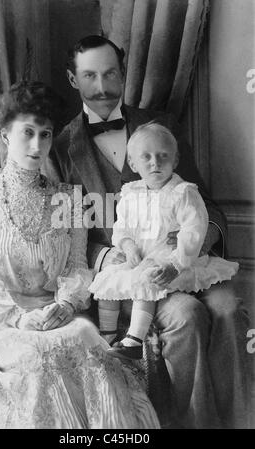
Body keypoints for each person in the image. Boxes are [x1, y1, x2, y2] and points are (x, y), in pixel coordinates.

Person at [48, 35, 250, 429]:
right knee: (186, 314)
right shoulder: (60, 148)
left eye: (110, 73)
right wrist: (119, 255)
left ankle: (240, 422)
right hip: (131, 275)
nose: (102, 86)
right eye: (90, 76)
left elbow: (206, 205)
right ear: (74, 80)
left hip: (191, 258)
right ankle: (193, 423)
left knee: (227, 309)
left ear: (123, 74)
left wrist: (196, 241)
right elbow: (68, 235)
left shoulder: (161, 126)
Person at [0, 81, 160, 429]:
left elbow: (79, 268)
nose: (37, 145)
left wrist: (66, 304)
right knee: (36, 359)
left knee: (88, 345)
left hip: (59, 314)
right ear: (5, 136)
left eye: (46, 134)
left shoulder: (70, 198)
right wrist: (19, 318)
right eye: (27, 133)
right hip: (5, 321)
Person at [89, 122, 239, 360]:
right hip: (139, 256)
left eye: (163, 156)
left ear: (175, 160)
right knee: (107, 282)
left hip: (173, 259)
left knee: (148, 281)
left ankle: (135, 340)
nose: (155, 163)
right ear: (133, 163)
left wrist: (176, 264)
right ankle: (107, 338)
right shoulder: (130, 192)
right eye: (146, 157)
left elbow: (193, 231)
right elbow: (122, 228)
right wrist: (127, 246)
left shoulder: (184, 192)